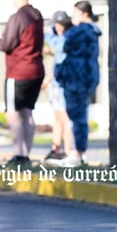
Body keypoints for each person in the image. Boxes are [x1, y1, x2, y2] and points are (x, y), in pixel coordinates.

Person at [0, 0, 45, 167]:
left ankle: (19, 154)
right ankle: (26, 154)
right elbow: (23, 41)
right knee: (27, 112)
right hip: (36, 70)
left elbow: (7, 45)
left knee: (12, 113)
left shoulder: (17, 17)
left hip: (18, 71)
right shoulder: (37, 15)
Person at [52, 0, 101, 167]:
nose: (72, 17)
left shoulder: (80, 31)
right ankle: (79, 152)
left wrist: (51, 35)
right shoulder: (94, 31)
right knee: (80, 116)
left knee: (76, 117)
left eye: (74, 13)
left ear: (83, 13)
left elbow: (60, 45)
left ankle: (77, 153)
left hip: (76, 78)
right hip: (86, 77)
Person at [43, 10, 73, 162]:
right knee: (57, 117)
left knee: (65, 118)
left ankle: (68, 151)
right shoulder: (62, 40)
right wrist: (48, 79)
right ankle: (55, 149)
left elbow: (64, 60)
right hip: (56, 83)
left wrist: (47, 34)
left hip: (63, 84)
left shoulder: (65, 39)